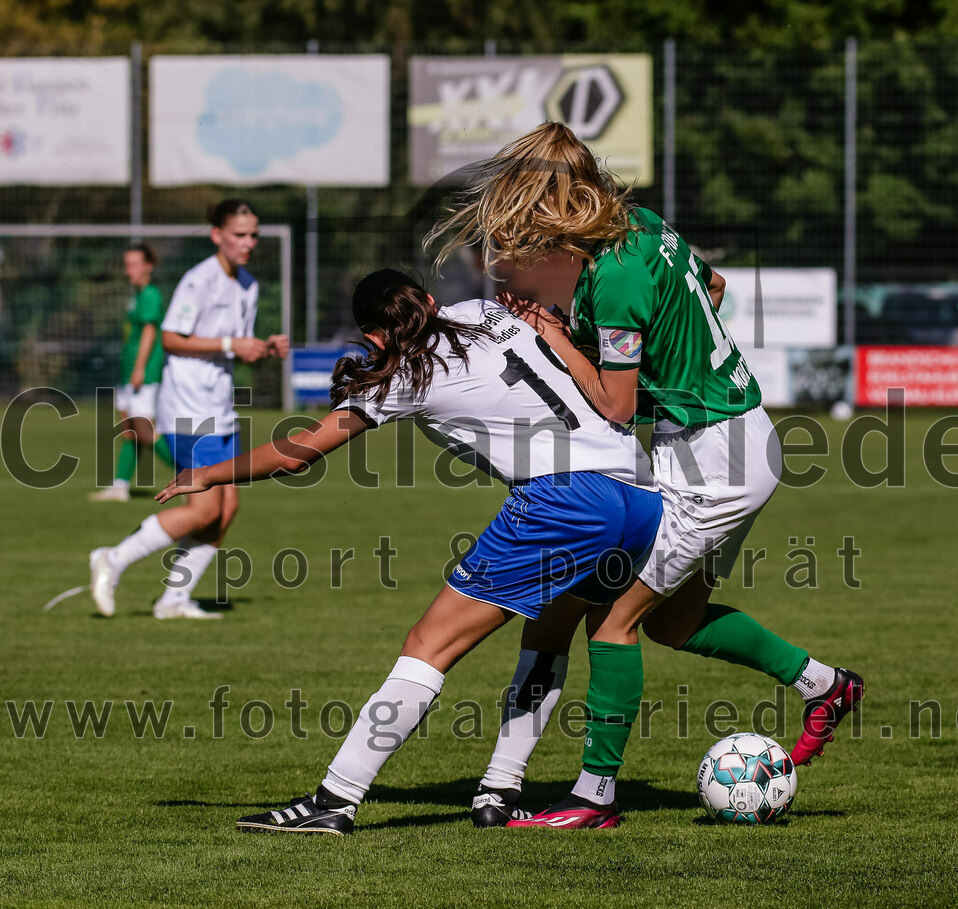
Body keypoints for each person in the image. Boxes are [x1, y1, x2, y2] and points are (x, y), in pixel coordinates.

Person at [427, 121, 864, 828]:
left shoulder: (616, 275)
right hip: (730, 438)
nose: (524, 243)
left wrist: (555, 334)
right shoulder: (645, 224)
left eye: (527, 225)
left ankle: (593, 796)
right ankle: (825, 685)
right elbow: (714, 285)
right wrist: (671, 352)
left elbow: (616, 404)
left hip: (714, 458)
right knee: (674, 623)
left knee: (612, 619)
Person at [155, 269, 664, 834]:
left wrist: (208, 474)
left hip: (567, 499)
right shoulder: (481, 311)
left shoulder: (405, 373)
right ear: (428, 299)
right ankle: (499, 790)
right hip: (639, 493)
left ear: (373, 336)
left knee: (428, 645)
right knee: (548, 634)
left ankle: (334, 800)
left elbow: (298, 452)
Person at [88, 199, 289, 619]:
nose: (248, 242)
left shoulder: (248, 284)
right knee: (205, 508)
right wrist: (232, 344)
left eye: (253, 234)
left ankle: (173, 599)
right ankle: (113, 558)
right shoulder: (199, 280)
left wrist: (261, 348)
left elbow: (233, 347)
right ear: (217, 235)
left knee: (227, 508)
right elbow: (171, 338)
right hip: (188, 409)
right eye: (239, 234)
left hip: (220, 408)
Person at [89, 244, 176, 502]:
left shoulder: (150, 294)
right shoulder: (136, 295)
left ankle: (192, 477)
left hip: (144, 373)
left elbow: (150, 332)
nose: (129, 271)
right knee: (130, 431)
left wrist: (139, 368)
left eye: (134, 265)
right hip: (128, 372)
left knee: (146, 431)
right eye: (127, 265)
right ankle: (120, 486)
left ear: (149, 266)